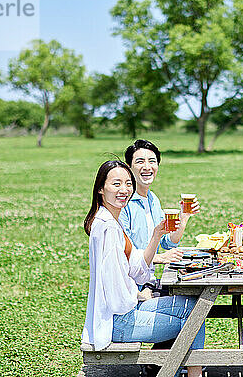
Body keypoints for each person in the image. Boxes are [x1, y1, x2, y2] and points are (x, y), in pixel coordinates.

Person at [81, 160, 205, 377]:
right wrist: (138, 295)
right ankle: (180, 373)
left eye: (128, 184)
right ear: (101, 189)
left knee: (195, 307)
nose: (124, 190)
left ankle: (181, 372)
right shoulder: (108, 227)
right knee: (193, 321)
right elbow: (114, 284)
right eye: (116, 184)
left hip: (125, 311)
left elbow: (134, 264)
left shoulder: (108, 220)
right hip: (119, 320)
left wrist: (157, 235)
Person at [120, 139, 200, 298]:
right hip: (133, 288)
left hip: (149, 281)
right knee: (190, 306)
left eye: (152, 161)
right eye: (140, 161)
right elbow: (124, 255)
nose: (147, 167)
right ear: (129, 167)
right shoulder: (123, 203)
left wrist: (184, 218)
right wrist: (161, 258)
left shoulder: (152, 199)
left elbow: (168, 242)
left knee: (194, 299)